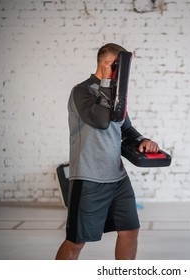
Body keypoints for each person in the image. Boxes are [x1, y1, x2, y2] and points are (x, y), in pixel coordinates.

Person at [55, 43, 159, 260]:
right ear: (106, 64)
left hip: (117, 178)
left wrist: (143, 140)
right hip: (89, 179)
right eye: (117, 67)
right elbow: (101, 121)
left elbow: (126, 128)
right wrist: (106, 82)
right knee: (76, 241)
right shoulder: (81, 91)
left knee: (130, 231)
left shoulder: (116, 94)